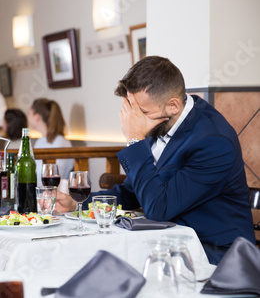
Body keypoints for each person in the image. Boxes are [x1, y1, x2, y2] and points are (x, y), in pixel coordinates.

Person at [56, 56, 255, 265]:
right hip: (170, 244)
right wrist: (78, 202)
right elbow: (131, 193)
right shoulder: (160, 123)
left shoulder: (213, 142)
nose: (135, 121)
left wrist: (135, 140)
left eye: (141, 112)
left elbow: (159, 209)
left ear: (173, 106)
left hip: (216, 257)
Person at [29, 98, 74, 185]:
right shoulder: (40, 141)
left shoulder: (60, 142)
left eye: (29, 114)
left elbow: (56, 176)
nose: (28, 117)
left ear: (37, 117)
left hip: (56, 191)